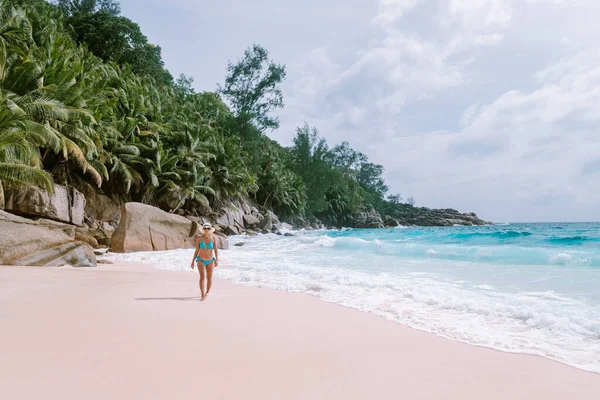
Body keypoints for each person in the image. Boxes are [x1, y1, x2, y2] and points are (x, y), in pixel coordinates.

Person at [191, 222, 219, 300]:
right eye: (205, 228)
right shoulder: (199, 239)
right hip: (201, 260)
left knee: (209, 278)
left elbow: (216, 250)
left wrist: (217, 260)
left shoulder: (213, 238)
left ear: (210, 230)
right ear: (203, 229)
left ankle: (207, 292)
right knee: (202, 277)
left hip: (210, 260)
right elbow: (196, 250)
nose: (206, 230)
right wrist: (193, 261)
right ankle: (202, 294)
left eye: (208, 228)